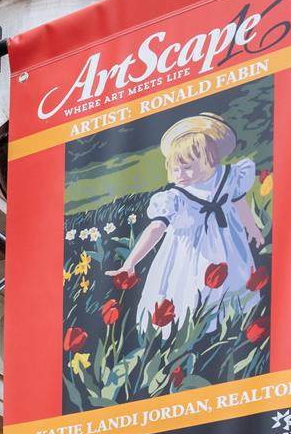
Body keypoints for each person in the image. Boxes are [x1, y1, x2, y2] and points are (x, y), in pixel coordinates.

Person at [109, 113, 264, 336]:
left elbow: (238, 201)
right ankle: (188, 333)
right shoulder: (175, 197)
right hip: (189, 253)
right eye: (175, 169)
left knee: (232, 284)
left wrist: (251, 227)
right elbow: (156, 228)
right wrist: (130, 263)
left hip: (228, 246)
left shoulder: (230, 176)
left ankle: (230, 325)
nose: (180, 174)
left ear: (209, 159)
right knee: (190, 290)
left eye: (188, 167)